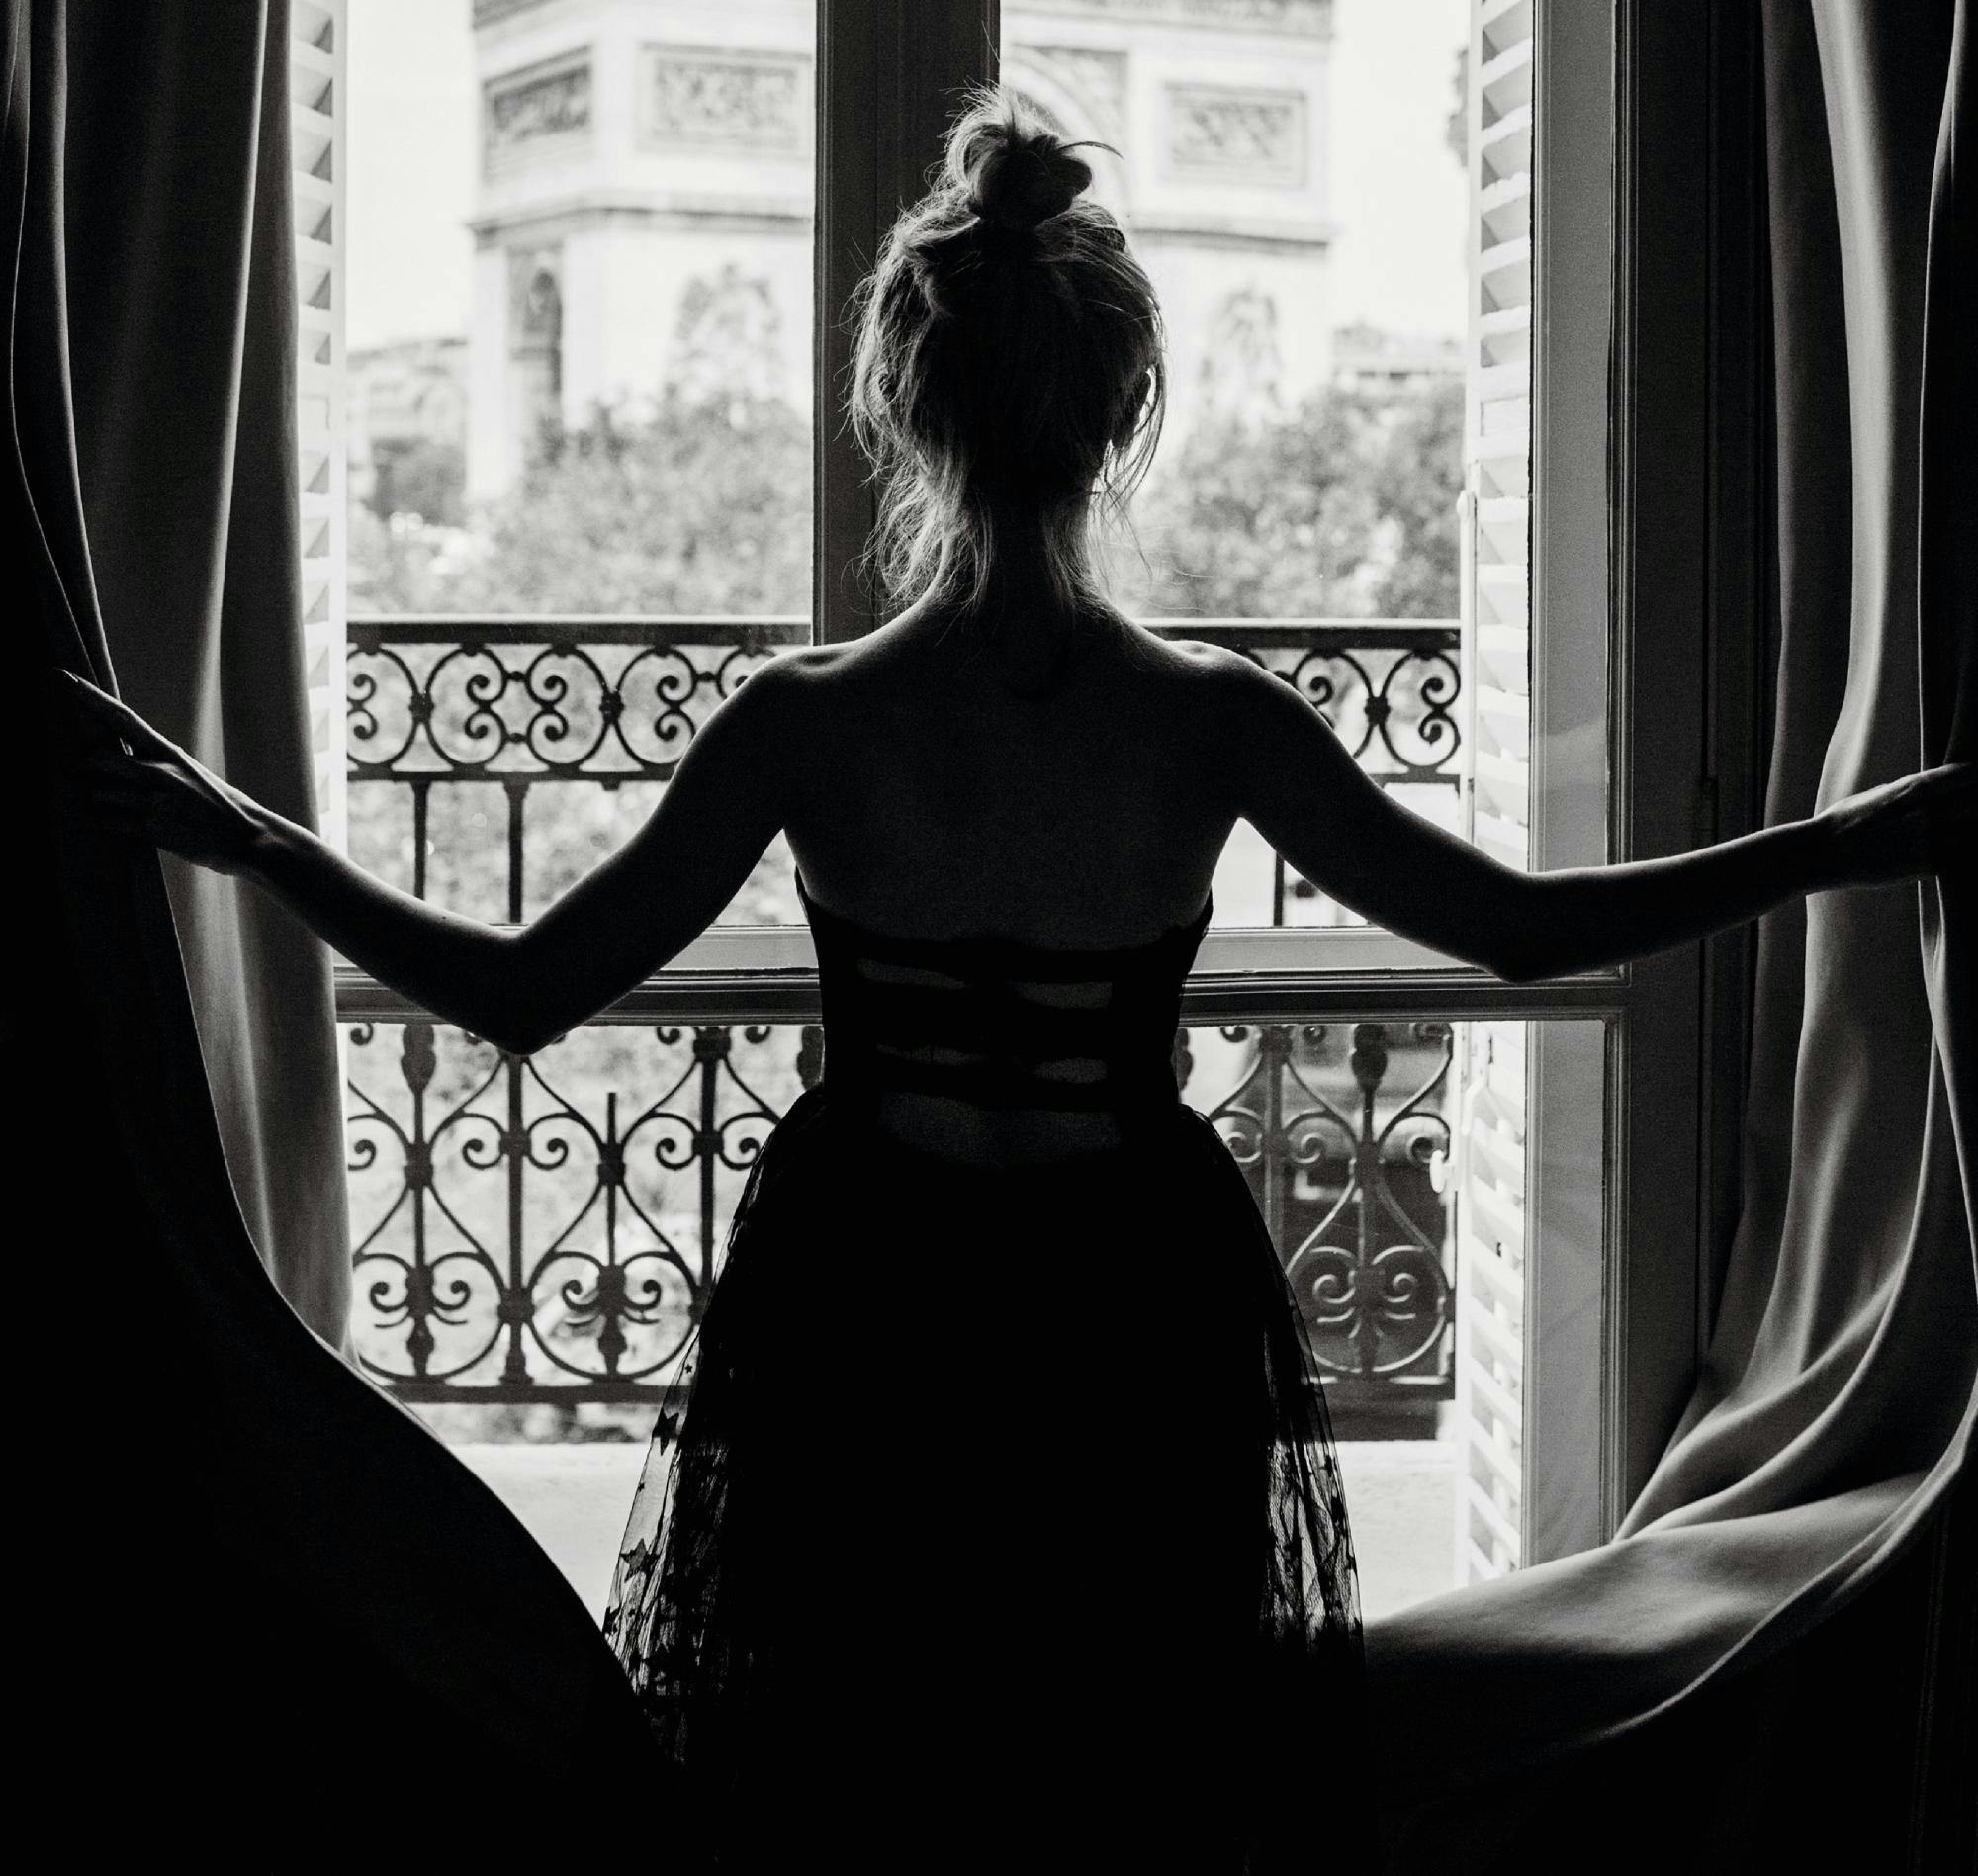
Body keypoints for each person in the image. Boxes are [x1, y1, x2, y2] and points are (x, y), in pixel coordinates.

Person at [73, 100, 1974, 1872]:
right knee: (1130, 1782)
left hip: (868, 1288)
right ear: (1130, 405)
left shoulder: (803, 726)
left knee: (852, 1776)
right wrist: (1850, 836)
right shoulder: (1218, 720)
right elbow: (1529, 931)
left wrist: (252, 835)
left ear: (899, 403)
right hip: (1123, 1294)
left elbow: (516, 989)